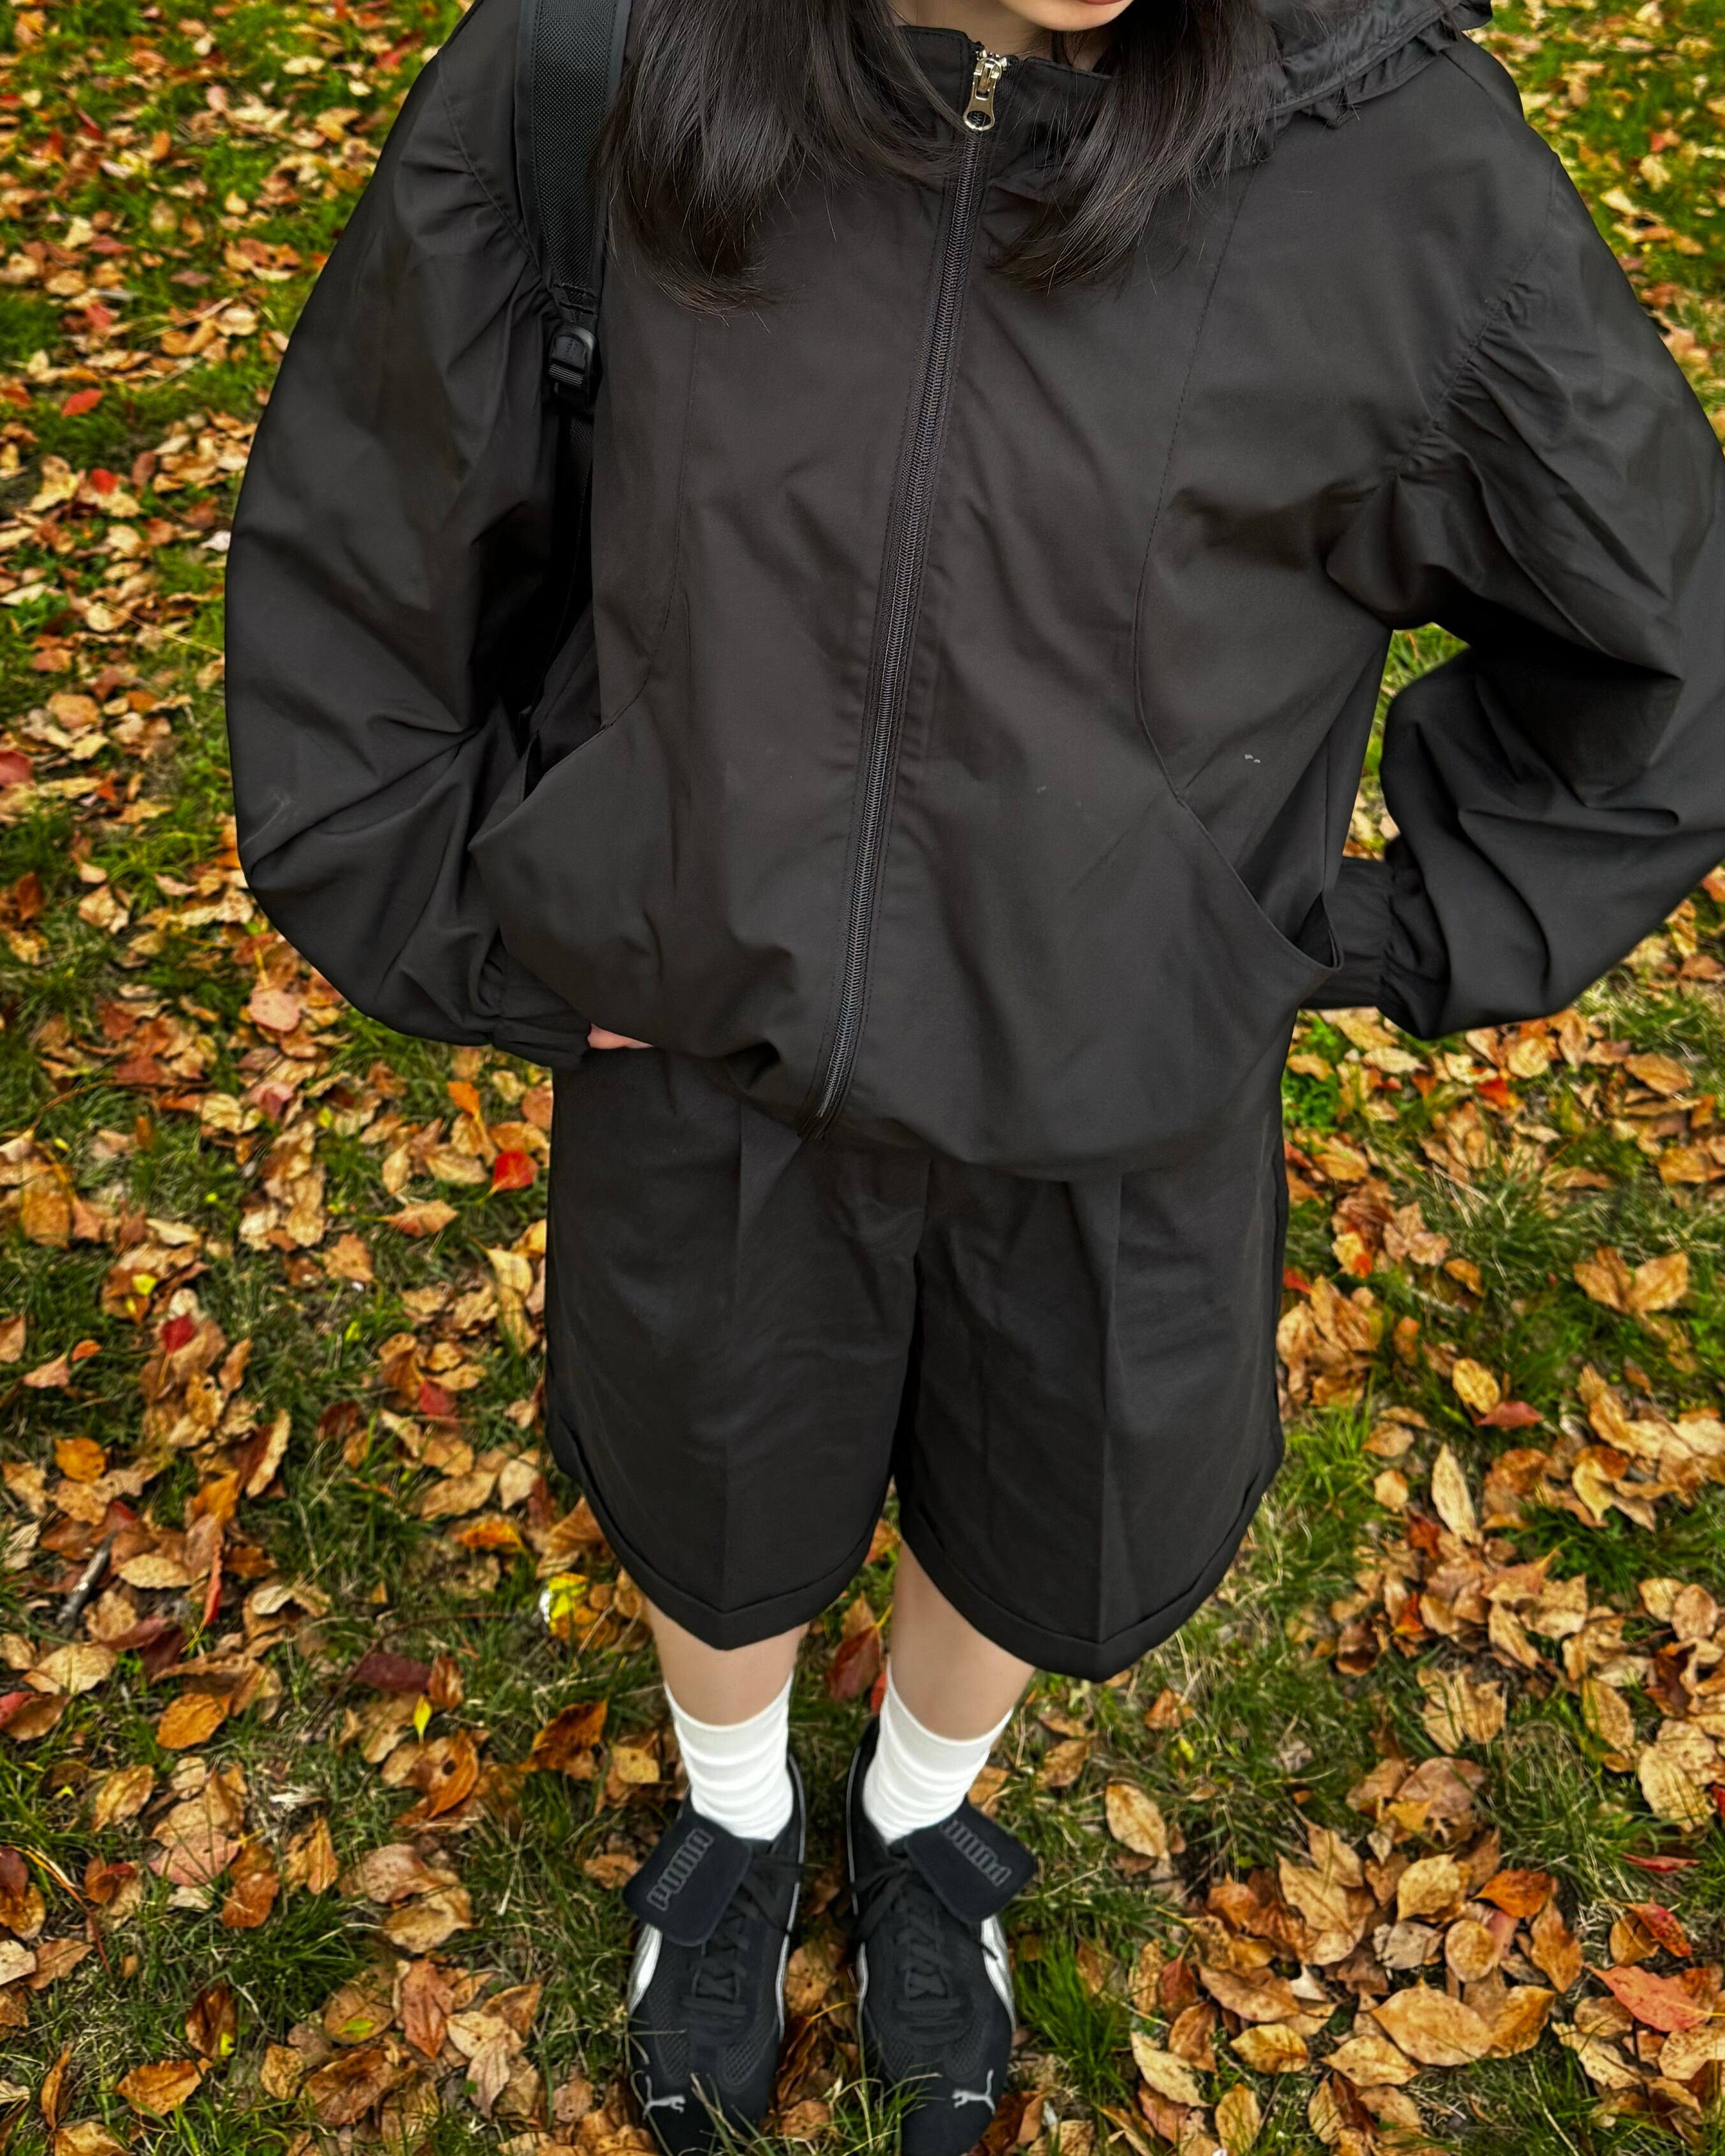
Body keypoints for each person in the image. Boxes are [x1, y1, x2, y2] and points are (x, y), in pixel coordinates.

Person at [224, 0, 1725, 2142]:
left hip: (1109, 1106)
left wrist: (1303, 937)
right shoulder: (593, 71)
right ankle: (735, 1822)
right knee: (712, 1487)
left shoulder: (1396, 164)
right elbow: (371, 561)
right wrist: (497, 915)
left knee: (1044, 1510)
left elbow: (1656, 656)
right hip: (711, 1056)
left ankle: (921, 1823)